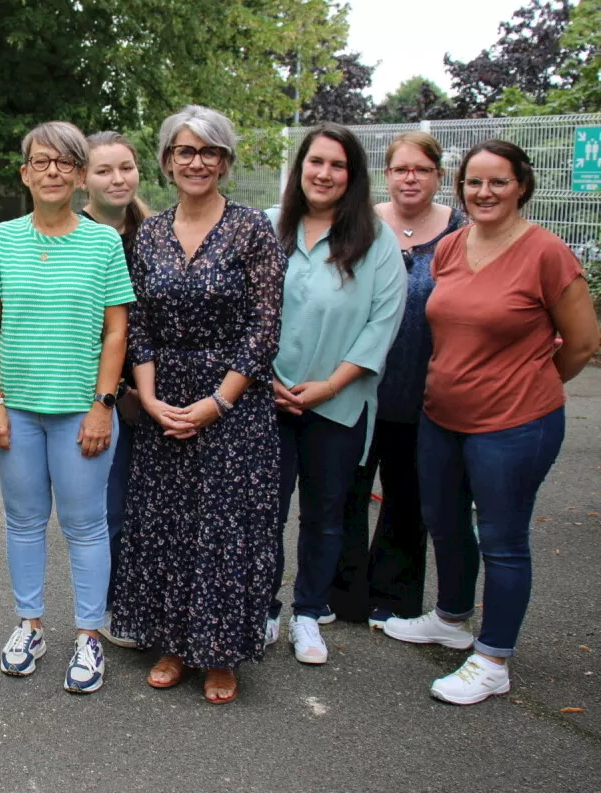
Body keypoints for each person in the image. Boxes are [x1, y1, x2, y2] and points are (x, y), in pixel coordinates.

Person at [383, 140, 599, 705]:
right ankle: (452, 618)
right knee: (444, 521)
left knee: (502, 540)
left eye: (498, 182)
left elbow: (581, 343)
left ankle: (494, 657)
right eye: (474, 183)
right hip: (441, 416)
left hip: (514, 424)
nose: (484, 193)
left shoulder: (546, 253)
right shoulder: (452, 246)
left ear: (522, 185)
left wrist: (529, 380)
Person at [110, 106, 286, 704]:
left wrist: (219, 401)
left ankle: (222, 654)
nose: (197, 161)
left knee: (228, 530)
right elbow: (137, 325)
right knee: (168, 524)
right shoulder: (152, 234)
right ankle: (174, 644)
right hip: (164, 397)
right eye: (185, 151)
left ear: (226, 160)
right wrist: (153, 400)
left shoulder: (252, 229)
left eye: (209, 151)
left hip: (235, 399)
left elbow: (265, 326)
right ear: (167, 161)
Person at [0, 121, 135, 693]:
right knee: (23, 521)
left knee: (86, 525)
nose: (52, 172)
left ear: (79, 174)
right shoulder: (1, 239)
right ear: (25, 172)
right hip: (15, 408)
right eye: (41, 162)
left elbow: (116, 333)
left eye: (65, 163)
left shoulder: (103, 243)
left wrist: (103, 404)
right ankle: (30, 625)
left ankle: (89, 636)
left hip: (80, 411)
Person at [267, 123, 407, 666]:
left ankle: (309, 613)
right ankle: (263, 609)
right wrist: (264, 379)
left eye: (337, 165)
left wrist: (328, 386)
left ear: (353, 175)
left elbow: (382, 324)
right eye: (315, 162)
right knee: (265, 512)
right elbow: (244, 313)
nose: (324, 174)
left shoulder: (375, 239)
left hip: (338, 403)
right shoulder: (270, 228)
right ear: (300, 168)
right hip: (268, 400)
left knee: (326, 515)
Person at [331, 132, 463, 626]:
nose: (411, 178)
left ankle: (394, 598)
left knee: (409, 497)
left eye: (422, 170)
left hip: (424, 390)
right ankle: (340, 596)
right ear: (386, 175)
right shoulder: (360, 224)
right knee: (345, 491)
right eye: (401, 169)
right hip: (355, 385)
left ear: (438, 176)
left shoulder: (461, 230)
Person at [79, 130, 151, 650]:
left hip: (157, 390)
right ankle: (105, 606)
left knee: (155, 504)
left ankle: (148, 599)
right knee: (111, 507)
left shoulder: (154, 233)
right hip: (98, 393)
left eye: (125, 167)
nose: (117, 179)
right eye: (104, 170)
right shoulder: (73, 234)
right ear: (84, 177)